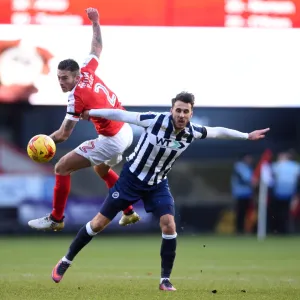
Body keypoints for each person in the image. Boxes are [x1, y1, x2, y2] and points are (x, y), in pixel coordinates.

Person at [51, 92, 269, 291]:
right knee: (98, 224)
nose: (182, 115)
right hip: (131, 179)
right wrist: (90, 113)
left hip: (157, 184)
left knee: (169, 224)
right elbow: (121, 115)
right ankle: (66, 260)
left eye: (186, 111)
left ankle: (165, 279)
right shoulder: (155, 120)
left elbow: (218, 132)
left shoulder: (193, 132)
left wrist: (246, 136)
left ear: (191, 113)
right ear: (171, 110)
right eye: (178, 110)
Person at [28, 7, 140, 231]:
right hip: (124, 131)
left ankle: (56, 219)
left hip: (112, 139)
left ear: (76, 76)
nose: (61, 82)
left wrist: (41, 142)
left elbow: (63, 134)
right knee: (101, 169)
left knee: (61, 167)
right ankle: (128, 212)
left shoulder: (76, 96)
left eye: (65, 78)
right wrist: (96, 21)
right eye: (59, 78)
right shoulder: (87, 69)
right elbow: (97, 46)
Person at [231, 154, 254, 234]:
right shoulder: (239, 167)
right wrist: (253, 182)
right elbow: (245, 179)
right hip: (240, 193)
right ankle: (239, 229)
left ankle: (245, 229)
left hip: (247, 193)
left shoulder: (248, 167)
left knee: (246, 212)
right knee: (240, 212)